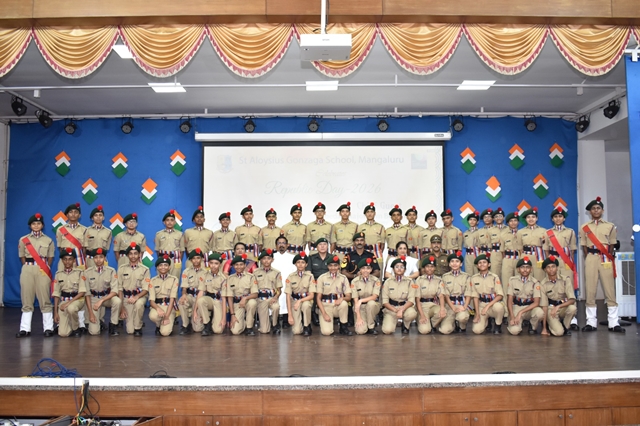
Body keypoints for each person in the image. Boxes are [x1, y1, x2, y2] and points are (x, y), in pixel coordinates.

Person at [579, 196, 624, 333]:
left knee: (609, 289)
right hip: (591, 257)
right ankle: (591, 322)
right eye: (593, 208)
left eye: (598, 208)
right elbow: (584, 246)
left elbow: (612, 244)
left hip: (605, 258)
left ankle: (613, 322)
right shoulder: (584, 227)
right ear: (590, 212)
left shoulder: (610, 226)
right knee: (590, 289)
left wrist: (608, 256)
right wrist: (590, 257)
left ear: (602, 210)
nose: (596, 210)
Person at [16, 213, 55, 338]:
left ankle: (48, 328)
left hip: (42, 270)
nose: (36, 225)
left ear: (42, 225)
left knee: (45, 298)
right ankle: (25, 329)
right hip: (28, 269)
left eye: (38, 223)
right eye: (34, 224)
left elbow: (50, 257)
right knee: (26, 298)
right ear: (30, 226)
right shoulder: (23, 240)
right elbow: (22, 256)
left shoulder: (48, 240)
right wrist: (29, 266)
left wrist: (43, 267)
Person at [84, 248, 121, 336]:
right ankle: (98, 321)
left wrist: (102, 300)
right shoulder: (87, 272)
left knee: (117, 301)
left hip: (106, 298)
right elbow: (87, 294)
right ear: (93, 259)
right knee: (94, 332)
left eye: (101, 257)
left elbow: (115, 291)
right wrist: (91, 313)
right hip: (93, 299)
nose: (98, 260)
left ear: (105, 258)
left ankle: (113, 325)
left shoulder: (111, 271)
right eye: (96, 257)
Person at [117, 242, 150, 336]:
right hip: (126, 298)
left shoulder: (145, 269)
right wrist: (122, 308)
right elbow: (119, 289)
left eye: (135, 253)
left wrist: (136, 297)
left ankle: (138, 326)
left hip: (140, 296)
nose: (133, 256)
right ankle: (134, 322)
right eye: (130, 254)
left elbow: (146, 289)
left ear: (139, 254)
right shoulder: (121, 269)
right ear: (127, 255)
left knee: (139, 304)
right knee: (130, 331)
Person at [52, 248, 86, 337]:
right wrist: (55, 312)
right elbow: (56, 294)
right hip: (63, 301)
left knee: (71, 308)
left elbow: (82, 292)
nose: (67, 262)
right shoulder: (58, 274)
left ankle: (76, 328)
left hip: (77, 300)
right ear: (62, 260)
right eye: (65, 259)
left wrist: (68, 304)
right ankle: (70, 324)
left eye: (70, 259)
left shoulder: (79, 273)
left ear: (74, 260)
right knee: (63, 334)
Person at [316, 255, 353, 336]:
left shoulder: (343, 278)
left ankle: (343, 327)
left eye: (335, 265)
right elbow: (318, 298)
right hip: (326, 306)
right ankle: (326, 320)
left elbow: (348, 296)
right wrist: (324, 314)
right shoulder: (322, 278)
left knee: (344, 303)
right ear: (327, 266)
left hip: (337, 306)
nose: (333, 268)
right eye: (331, 265)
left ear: (339, 266)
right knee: (326, 332)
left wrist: (342, 298)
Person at [540, 256, 577, 337]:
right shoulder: (542, 284)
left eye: (553, 266)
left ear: (557, 268)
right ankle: (551, 325)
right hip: (550, 309)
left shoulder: (565, 280)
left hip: (562, 306)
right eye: (548, 267)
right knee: (559, 333)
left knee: (572, 308)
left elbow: (572, 300)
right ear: (545, 270)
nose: (551, 269)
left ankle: (565, 327)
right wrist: (544, 328)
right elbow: (544, 306)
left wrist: (558, 306)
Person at [505, 257, 543, 335]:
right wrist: (512, 316)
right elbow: (509, 300)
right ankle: (518, 323)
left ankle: (532, 325)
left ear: (531, 269)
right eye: (522, 267)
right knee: (514, 331)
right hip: (516, 307)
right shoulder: (512, 280)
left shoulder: (535, 282)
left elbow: (536, 303)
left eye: (527, 267)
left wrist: (521, 312)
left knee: (540, 313)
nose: (525, 270)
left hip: (529, 308)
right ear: (518, 269)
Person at [381, 257, 417, 334]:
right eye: (397, 267)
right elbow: (385, 301)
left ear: (405, 269)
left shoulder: (410, 282)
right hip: (391, 308)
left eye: (402, 267)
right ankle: (392, 321)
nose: (399, 269)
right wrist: (395, 310)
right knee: (387, 331)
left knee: (412, 313)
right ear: (393, 269)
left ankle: (405, 325)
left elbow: (411, 300)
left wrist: (401, 309)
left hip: (405, 307)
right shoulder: (388, 282)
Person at [224, 253, 259, 335]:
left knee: (252, 303)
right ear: (233, 266)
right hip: (237, 304)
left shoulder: (251, 277)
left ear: (245, 265)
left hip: (248, 301)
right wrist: (232, 315)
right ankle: (243, 323)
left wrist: (245, 298)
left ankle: (249, 327)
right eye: (236, 265)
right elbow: (230, 297)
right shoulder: (230, 279)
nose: (239, 267)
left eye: (241, 264)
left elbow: (255, 294)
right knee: (235, 331)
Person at [470, 253, 505, 335]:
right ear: (477, 266)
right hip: (481, 305)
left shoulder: (494, 277)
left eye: (484, 262)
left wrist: (488, 306)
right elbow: (475, 297)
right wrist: (477, 314)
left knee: (499, 307)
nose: (482, 264)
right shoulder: (474, 278)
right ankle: (487, 321)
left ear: (489, 264)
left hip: (493, 304)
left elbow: (500, 295)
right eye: (479, 263)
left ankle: (498, 324)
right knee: (477, 330)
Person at [195, 252, 228, 336]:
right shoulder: (204, 275)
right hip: (209, 300)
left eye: (216, 263)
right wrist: (195, 311)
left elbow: (224, 299)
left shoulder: (223, 278)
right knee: (201, 300)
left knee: (218, 330)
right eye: (211, 263)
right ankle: (207, 325)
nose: (213, 266)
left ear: (220, 265)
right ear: (208, 263)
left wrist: (224, 318)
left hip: (219, 302)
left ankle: (214, 318)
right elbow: (201, 292)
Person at [439, 251, 472, 334]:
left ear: (461, 264)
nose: (454, 264)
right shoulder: (445, 277)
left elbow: (468, 294)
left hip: (461, 304)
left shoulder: (466, 276)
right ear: (449, 264)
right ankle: (453, 323)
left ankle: (462, 325)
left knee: (462, 317)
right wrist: (453, 307)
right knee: (445, 330)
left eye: (457, 261)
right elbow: (446, 295)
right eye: (452, 261)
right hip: (450, 305)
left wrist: (464, 307)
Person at [178, 248, 209, 335]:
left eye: (198, 258)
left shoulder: (206, 272)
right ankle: (185, 325)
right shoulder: (186, 271)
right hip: (190, 296)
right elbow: (184, 287)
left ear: (201, 259)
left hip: (200, 297)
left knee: (197, 329)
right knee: (182, 302)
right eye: (194, 258)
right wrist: (184, 295)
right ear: (191, 260)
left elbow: (202, 291)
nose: (196, 260)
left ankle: (198, 318)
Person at [284, 252, 316, 335]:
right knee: (297, 331)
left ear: (306, 264)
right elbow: (288, 296)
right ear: (295, 264)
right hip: (294, 301)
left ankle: (307, 326)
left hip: (306, 300)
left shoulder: (310, 276)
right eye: (298, 262)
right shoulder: (290, 277)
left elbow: (311, 295)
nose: (300, 265)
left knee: (306, 305)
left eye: (303, 262)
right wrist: (289, 315)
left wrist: (300, 301)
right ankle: (300, 324)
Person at [254, 249, 283, 334]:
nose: (266, 260)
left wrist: (275, 297)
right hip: (260, 299)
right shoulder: (255, 272)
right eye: (264, 258)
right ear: (261, 260)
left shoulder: (277, 273)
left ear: (272, 260)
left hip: (271, 298)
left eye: (268, 258)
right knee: (264, 331)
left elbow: (279, 289)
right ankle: (265, 324)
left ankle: (275, 325)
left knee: (276, 307)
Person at [148, 255, 179, 337]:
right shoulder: (153, 280)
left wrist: (166, 317)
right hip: (158, 305)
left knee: (165, 333)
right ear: (157, 267)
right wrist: (158, 309)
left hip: (169, 307)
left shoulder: (174, 279)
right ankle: (159, 325)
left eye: (165, 265)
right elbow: (151, 301)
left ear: (169, 267)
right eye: (160, 265)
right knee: (153, 316)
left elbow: (172, 299)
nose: (163, 267)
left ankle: (168, 321)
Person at [415, 256, 446, 335]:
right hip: (422, 306)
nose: (429, 269)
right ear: (424, 268)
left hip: (433, 305)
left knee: (443, 311)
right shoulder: (419, 280)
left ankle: (432, 324)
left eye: (432, 266)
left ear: (435, 268)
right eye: (427, 266)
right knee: (424, 331)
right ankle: (424, 321)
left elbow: (441, 296)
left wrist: (442, 308)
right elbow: (417, 299)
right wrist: (422, 315)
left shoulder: (439, 280)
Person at [351, 258, 382, 335]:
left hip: (373, 306)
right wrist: (358, 317)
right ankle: (365, 323)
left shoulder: (376, 280)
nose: (365, 270)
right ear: (360, 270)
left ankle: (371, 326)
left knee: (371, 303)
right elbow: (355, 301)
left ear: (371, 270)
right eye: (363, 268)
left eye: (368, 268)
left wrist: (361, 300)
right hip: (360, 307)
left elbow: (374, 297)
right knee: (360, 331)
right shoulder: (354, 281)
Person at [516, 207, 547, 282]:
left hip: (539, 257)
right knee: (526, 279)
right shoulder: (520, 232)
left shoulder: (544, 231)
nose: (531, 219)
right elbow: (520, 248)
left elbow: (546, 247)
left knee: (540, 278)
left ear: (537, 218)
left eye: (533, 217)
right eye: (528, 217)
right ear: (525, 219)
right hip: (526, 256)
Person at [272, 236, 296, 328]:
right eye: (279, 243)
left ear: (287, 245)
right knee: (276, 300)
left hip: (287, 282)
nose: (281, 245)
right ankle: (276, 321)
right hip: (275, 284)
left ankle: (286, 320)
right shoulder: (271, 257)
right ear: (276, 245)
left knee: (286, 299)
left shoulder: (292, 257)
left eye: (283, 243)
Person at [306, 237, 331, 325]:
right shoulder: (311, 258)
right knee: (313, 290)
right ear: (317, 247)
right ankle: (313, 313)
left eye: (324, 244)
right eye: (320, 245)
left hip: (329, 282)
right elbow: (308, 273)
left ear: (327, 246)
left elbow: (336, 272)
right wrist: (314, 282)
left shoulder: (332, 258)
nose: (322, 246)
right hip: (315, 282)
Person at [56, 202, 87, 270]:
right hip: (65, 261)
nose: (73, 214)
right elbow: (60, 248)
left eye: (76, 212)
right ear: (67, 215)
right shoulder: (60, 229)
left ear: (79, 215)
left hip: (79, 260)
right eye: (71, 212)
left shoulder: (85, 230)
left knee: (81, 276)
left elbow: (84, 249)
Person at [154, 210, 184, 279]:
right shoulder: (159, 234)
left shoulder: (180, 234)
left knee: (175, 279)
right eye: (167, 220)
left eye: (172, 220)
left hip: (175, 260)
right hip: (163, 259)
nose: (170, 222)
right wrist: (161, 258)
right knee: (162, 279)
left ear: (175, 222)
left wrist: (178, 260)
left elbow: (182, 250)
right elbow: (157, 250)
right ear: (164, 222)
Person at [84, 205, 112, 270]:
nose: (98, 217)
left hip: (102, 259)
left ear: (103, 217)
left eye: (100, 215)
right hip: (90, 259)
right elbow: (84, 248)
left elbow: (107, 248)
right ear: (92, 218)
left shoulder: (108, 232)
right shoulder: (87, 230)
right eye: (96, 215)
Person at [357, 202, 385, 267]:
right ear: (365, 214)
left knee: (378, 271)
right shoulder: (360, 227)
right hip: (364, 252)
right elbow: (358, 241)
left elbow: (382, 244)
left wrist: (378, 251)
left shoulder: (380, 227)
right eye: (368, 212)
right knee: (364, 270)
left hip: (377, 252)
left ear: (375, 213)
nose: (370, 214)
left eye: (371, 212)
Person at [501, 212, 521, 286]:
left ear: (518, 222)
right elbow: (502, 251)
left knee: (519, 281)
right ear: (507, 223)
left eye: (515, 220)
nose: (513, 223)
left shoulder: (521, 233)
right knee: (506, 281)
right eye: (511, 221)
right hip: (507, 260)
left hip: (519, 259)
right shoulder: (503, 234)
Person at [489, 207, 507, 277]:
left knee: (506, 274)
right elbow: (488, 244)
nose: (498, 218)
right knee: (495, 274)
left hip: (507, 254)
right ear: (493, 219)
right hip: (495, 253)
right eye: (496, 216)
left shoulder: (508, 229)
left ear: (504, 218)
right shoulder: (490, 230)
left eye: (500, 216)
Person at [463, 211, 480, 275]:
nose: (472, 221)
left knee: (477, 273)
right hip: (468, 255)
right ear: (468, 221)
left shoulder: (480, 232)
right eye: (470, 219)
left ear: (477, 222)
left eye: (474, 220)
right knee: (468, 273)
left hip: (477, 254)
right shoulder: (465, 233)